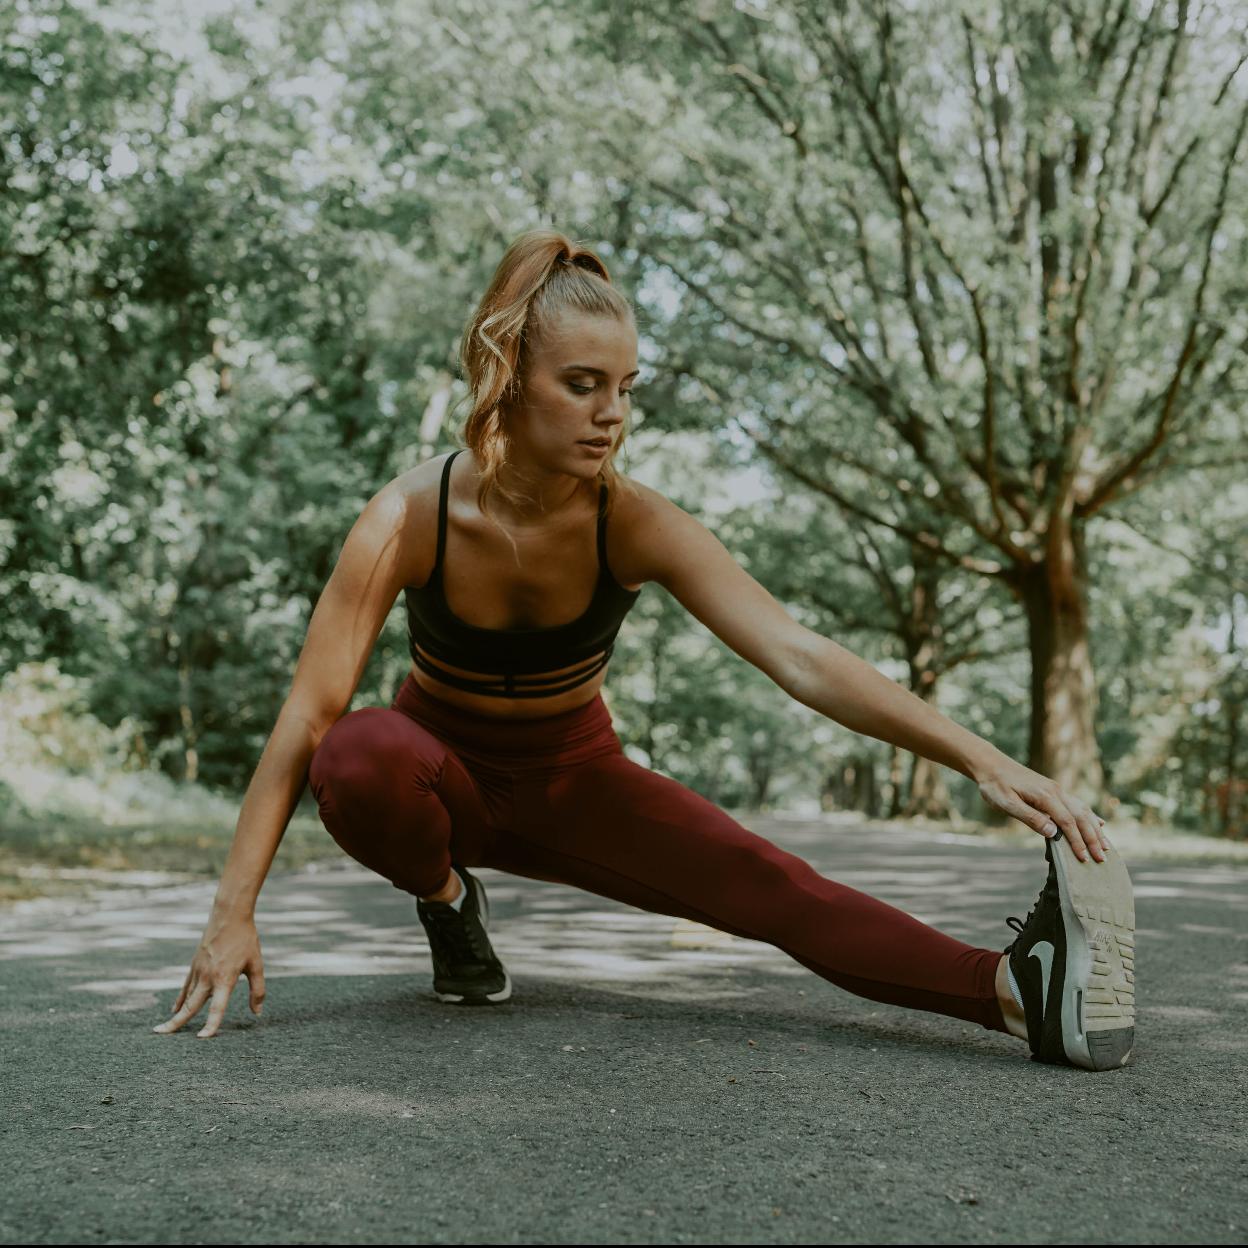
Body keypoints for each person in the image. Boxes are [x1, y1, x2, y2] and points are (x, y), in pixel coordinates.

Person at [154, 229, 1135, 1071]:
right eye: (581, 385)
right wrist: (231, 914)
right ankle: (450, 903)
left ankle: (1023, 994)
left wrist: (985, 760)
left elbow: (798, 654)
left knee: (772, 886)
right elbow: (307, 716)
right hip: (437, 776)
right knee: (359, 754)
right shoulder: (404, 521)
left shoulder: (635, 522)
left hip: (575, 779)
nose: (611, 412)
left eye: (625, 387)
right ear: (508, 379)